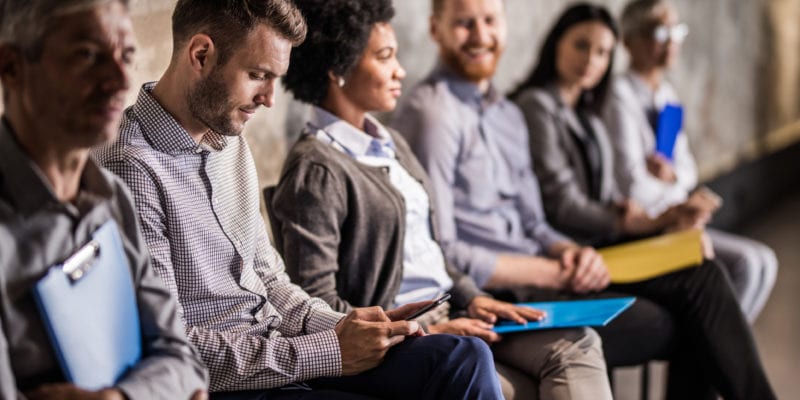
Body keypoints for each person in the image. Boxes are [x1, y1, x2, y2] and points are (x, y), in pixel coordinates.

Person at [92, 0, 502, 399]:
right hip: (229, 384)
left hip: (287, 351)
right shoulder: (128, 169)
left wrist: (345, 327)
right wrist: (331, 352)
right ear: (201, 55)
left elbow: (268, 277)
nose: (270, 98)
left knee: (463, 357)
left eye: (275, 78)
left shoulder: (230, 141)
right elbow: (170, 343)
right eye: (257, 75)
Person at [392, 1, 777, 399]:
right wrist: (555, 270)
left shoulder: (506, 113)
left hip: (550, 270)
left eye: (489, 20)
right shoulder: (434, 114)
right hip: (500, 294)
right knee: (676, 320)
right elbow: (445, 250)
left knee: (701, 278)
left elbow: (535, 222)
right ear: (435, 29)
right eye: (464, 23)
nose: (480, 35)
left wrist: (573, 252)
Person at [269, 1, 612, 399]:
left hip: (451, 311)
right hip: (404, 340)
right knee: (512, 383)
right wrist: (424, 331)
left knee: (578, 342)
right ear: (337, 69)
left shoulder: (389, 142)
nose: (400, 70)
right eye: (385, 57)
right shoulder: (317, 167)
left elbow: (432, 249)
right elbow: (317, 305)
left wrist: (475, 297)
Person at [0, 0, 209, 399]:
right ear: (11, 67)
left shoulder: (112, 195)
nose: (120, 80)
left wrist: (120, 397)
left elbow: (183, 360)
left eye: (126, 56)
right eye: (87, 55)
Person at [601, 0, 776, 323]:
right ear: (629, 41)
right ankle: (712, 348)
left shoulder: (667, 95)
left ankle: (716, 348)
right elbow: (633, 186)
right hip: (647, 225)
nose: (671, 41)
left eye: (676, 31)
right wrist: (673, 193)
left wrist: (670, 177)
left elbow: (688, 172)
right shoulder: (618, 96)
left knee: (764, 261)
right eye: (659, 32)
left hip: (677, 217)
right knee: (747, 265)